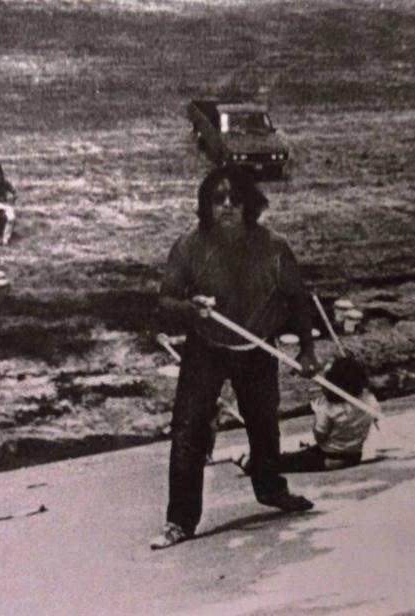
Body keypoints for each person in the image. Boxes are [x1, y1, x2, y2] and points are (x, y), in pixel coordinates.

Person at [150, 167, 320, 550]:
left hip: (256, 347)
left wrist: (308, 350)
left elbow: (296, 299)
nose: (226, 206)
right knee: (189, 430)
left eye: (234, 199)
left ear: (249, 206)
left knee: (264, 424)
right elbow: (165, 300)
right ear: (205, 207)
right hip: (205, 349)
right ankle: (179, 521)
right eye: (217, 199)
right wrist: (190, 309)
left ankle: (272, 489)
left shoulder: (274, 247)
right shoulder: (189, 247)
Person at [234, 356, 378, 474]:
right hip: (354, 455)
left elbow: (320, 437)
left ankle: (251, 465)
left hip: (328, 457)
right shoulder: (369, 400)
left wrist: (318, 414)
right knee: (295, 456)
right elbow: (375, 417)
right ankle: (258, 461)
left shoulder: (328, 408)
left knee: (287, 462)